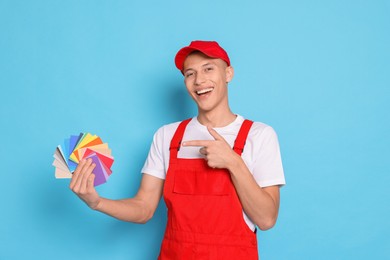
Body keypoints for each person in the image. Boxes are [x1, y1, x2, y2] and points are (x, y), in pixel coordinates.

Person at [70, 40, 285, 259]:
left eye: (208, 69)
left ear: (228, 73)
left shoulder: (259, 135)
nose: (199, 80)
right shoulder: (167, 136)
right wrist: (97, 202)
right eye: (190, 74)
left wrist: (233, 162)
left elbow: (266, 219)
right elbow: (143, 208)